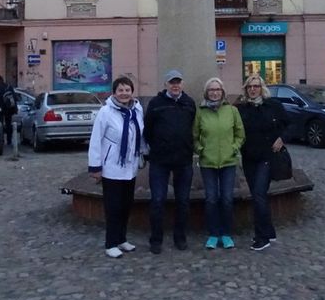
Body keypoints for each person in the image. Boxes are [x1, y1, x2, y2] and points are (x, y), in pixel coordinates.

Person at [87, 76, 146, 258]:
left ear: (132, 92)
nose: (124, 93)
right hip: (111, 167)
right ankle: (111, 243)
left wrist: (144, 153)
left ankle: (121, 239)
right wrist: (95, 167)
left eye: (127, 90)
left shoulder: (136, 110)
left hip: (130, 167)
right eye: (120, 90)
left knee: (126, 205)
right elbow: (96, 140)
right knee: (113, 207)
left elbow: (140, 135)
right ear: (114, 93)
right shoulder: (105, 112)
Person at [143, 69, 197, 254]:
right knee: (158, 200)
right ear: (165, 84)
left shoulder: (189, 103)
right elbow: (148, 129)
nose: (175, 85)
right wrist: (157, 146)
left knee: (183, 201)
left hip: (183, 159)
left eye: (178, 82)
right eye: (172, 82)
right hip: (160, 160)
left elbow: (192, 127)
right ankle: (156, 239)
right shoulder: (156, 103)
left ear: (182, 84)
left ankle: (180, 238)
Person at [192, 77, 244, 250]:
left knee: (227, 199)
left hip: (228, 162)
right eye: (211, 90)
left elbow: (240, 134)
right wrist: (201, 150)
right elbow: (194, 136)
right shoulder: (201, 112)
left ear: (222, 92)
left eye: (217, 90)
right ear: (206, 93)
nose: (214, 93)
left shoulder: (232, 111)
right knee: (211, 199)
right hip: (208, 163)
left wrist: (234, 148)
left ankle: (226, 233)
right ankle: (213, 234)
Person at [236, 74, 286, 252]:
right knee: (259, 195)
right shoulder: (241, 108)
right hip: (249, 157)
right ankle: (269, 232)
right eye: (250, 86)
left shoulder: (273, 105)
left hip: (267, 156)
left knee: (258, 194)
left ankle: (261, 237)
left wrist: (281, 138)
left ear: (261, 88)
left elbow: (288, 124)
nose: (253, 89)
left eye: (256, 86)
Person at [0, 75, 16, 145]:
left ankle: (1, 140)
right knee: (8, 124)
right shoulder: (9, 87)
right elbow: (14, 98)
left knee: (0, 125)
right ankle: (9, 140)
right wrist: (14, 109)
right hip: (8, 109)